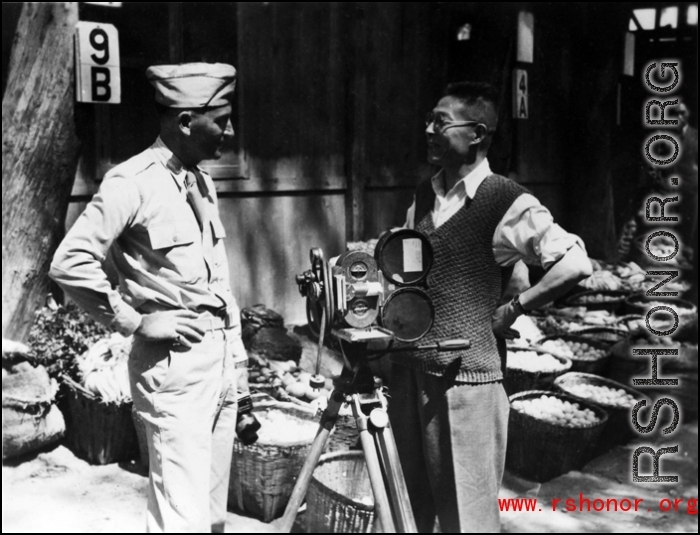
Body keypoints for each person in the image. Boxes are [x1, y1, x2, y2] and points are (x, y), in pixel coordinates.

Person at [387, 81, 593, 533]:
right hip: (411, 376)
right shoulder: (425, 195)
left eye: (439, 122)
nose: (427, 130)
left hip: (469, 385)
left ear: (477, 134)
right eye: (429, 120)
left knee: (469, 518)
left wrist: (515, 307)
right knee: (408, 511)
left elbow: (576, 263)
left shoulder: (506, 199)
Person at [50, 63, 247, 533]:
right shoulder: (131, 182)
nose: (230, 129)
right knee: (180, 518)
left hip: (217, 363)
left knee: (213, 514)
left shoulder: (201, 181)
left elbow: (217, 280)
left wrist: (236, 359)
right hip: (173, 368)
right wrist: (134, 322)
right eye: (221, 119)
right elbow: (69, 262)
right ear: (184, 121)